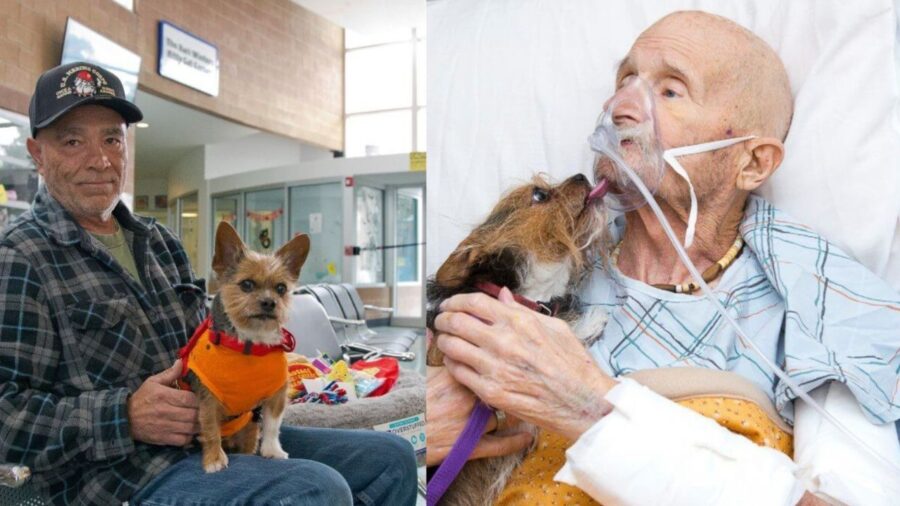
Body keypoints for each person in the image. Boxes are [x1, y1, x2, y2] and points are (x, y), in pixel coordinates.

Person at [429, 11, 900, 505]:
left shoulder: (820, 296)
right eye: (625, 80)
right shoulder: (542, 258)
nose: (619, 107)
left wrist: (590, 407)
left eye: (671, 90)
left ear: (753, 162)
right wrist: (425, 436)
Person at [0, 62, 416, 506]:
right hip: (121, 477)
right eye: (72, 141)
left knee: (393, 456)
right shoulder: (19, 258)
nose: (99, 159)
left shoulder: (160, 242)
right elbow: (7, 416)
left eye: (112, 139)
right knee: (315, 489)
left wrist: (257, 364)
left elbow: (213, 345)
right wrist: (123, 416)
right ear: (37, 154)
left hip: (221, 428)